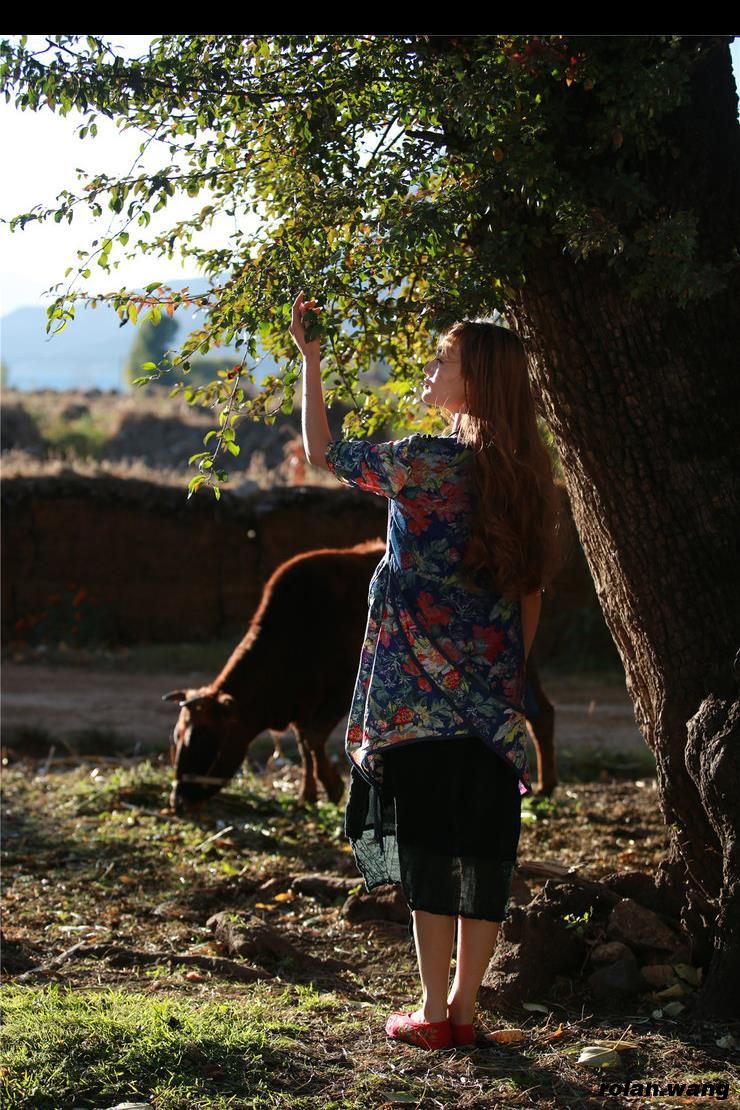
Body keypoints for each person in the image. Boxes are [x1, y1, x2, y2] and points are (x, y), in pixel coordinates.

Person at [292, 290, 562, 1051]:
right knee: (484, 851)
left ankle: (433, 1012)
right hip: (491, 702)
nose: (431, 369)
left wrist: (311, 362)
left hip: (416, 702)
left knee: (431, 854)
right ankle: (467, 1011)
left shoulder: (422, 463)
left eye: (443, 360)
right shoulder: (526, 475)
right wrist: (505, 678)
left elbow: (322, 454)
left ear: (472, 381)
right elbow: (530, 596)